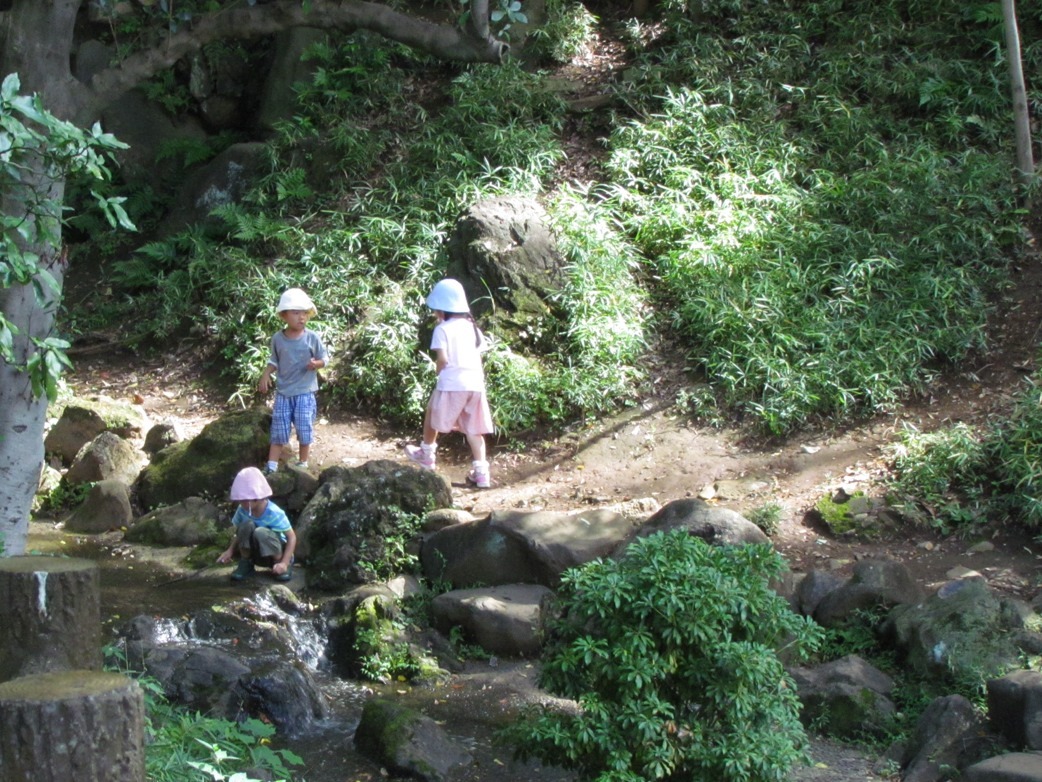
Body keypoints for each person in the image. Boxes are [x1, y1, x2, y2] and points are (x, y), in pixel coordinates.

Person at [404, 278, 494, 488]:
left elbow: (443, 359)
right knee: (474, 429)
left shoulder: (442, 329)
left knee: (432, 413)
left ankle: (426, 453)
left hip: (452, 382)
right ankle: (482, 473)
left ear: (443, 309)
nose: (435, 314)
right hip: (475, 384)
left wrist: (438, 371)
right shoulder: (473, 328)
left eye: (436, 310)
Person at [259, 287, 328, 473]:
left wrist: (316, 364)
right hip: (283, 392)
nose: (301, 317)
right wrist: (266, 374)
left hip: (305, 392)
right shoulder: (278, 339)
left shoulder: (312, 338)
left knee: (304, 428)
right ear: (284, 315)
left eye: (304, 313)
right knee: (279, 429)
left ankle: (303, 463)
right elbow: (274, 360)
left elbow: (324, 359)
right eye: (296, 313)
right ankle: (272, 465)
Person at [217, 466, 297, 582]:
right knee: (245, 525)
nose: (242, 503)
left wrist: (285, 562)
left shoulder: (274, 512)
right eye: (240, 500)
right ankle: (246, 562)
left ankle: (279, 564)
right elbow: (239, 533)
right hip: (258, 554)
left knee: (261, 532)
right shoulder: (242, 510)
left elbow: (291, 537)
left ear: (258, 497)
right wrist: (230, 550)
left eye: (245, 500)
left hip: (276, 553)